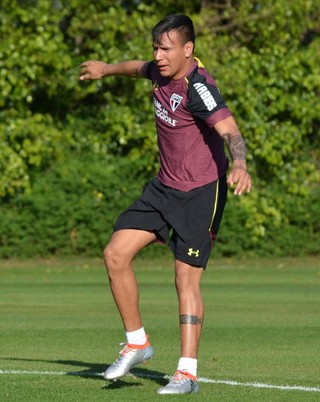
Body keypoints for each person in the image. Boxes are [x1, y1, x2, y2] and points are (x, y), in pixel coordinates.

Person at [80, 14, 252, 395]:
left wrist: (239, 162)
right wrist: (105, 69)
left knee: (184, 276)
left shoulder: (199, 87)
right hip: (164, 186)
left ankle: (187, 373)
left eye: (166, 48)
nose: (158, 55)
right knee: (115, 254)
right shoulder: (159, 70)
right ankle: (138, 343)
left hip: (201, 192)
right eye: (155, 47)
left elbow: (231, 131)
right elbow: (134, 68)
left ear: (188, 50)